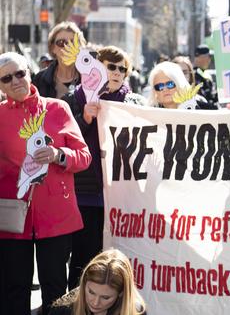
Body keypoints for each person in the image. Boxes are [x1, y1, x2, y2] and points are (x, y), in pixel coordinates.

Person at [0, 52, 91, 315]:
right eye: (7, 78)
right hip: (12, 214)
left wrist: (59, 155)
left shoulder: (57, 108)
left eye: (20, 73)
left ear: (29, 73)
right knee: (13, 288)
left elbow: (84, 157)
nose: (16, 81)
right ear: (1, 86)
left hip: (56, 215)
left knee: (55, 289)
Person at [62, 46, 146, 290]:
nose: (118, 72)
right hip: (86, 195)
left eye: (123, 69)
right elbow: (62, 141)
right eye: (112, 66)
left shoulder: (134, 103)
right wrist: (85, 120)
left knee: (116, 262)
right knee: (82, 259)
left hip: (121, 196)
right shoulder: (72, 100)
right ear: (97, 67)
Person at [50, 249, 146, 315]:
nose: (95, 303)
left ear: (121, 293)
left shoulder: (136, 311)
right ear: (84, 284)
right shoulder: (63, 310)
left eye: (105, 297)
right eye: (91, 292)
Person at [33, 21, 86, 99]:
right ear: (52, 48)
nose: (68, 47)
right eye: (61, 43)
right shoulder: (39, 79)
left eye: (73, 42)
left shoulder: (90, 77)